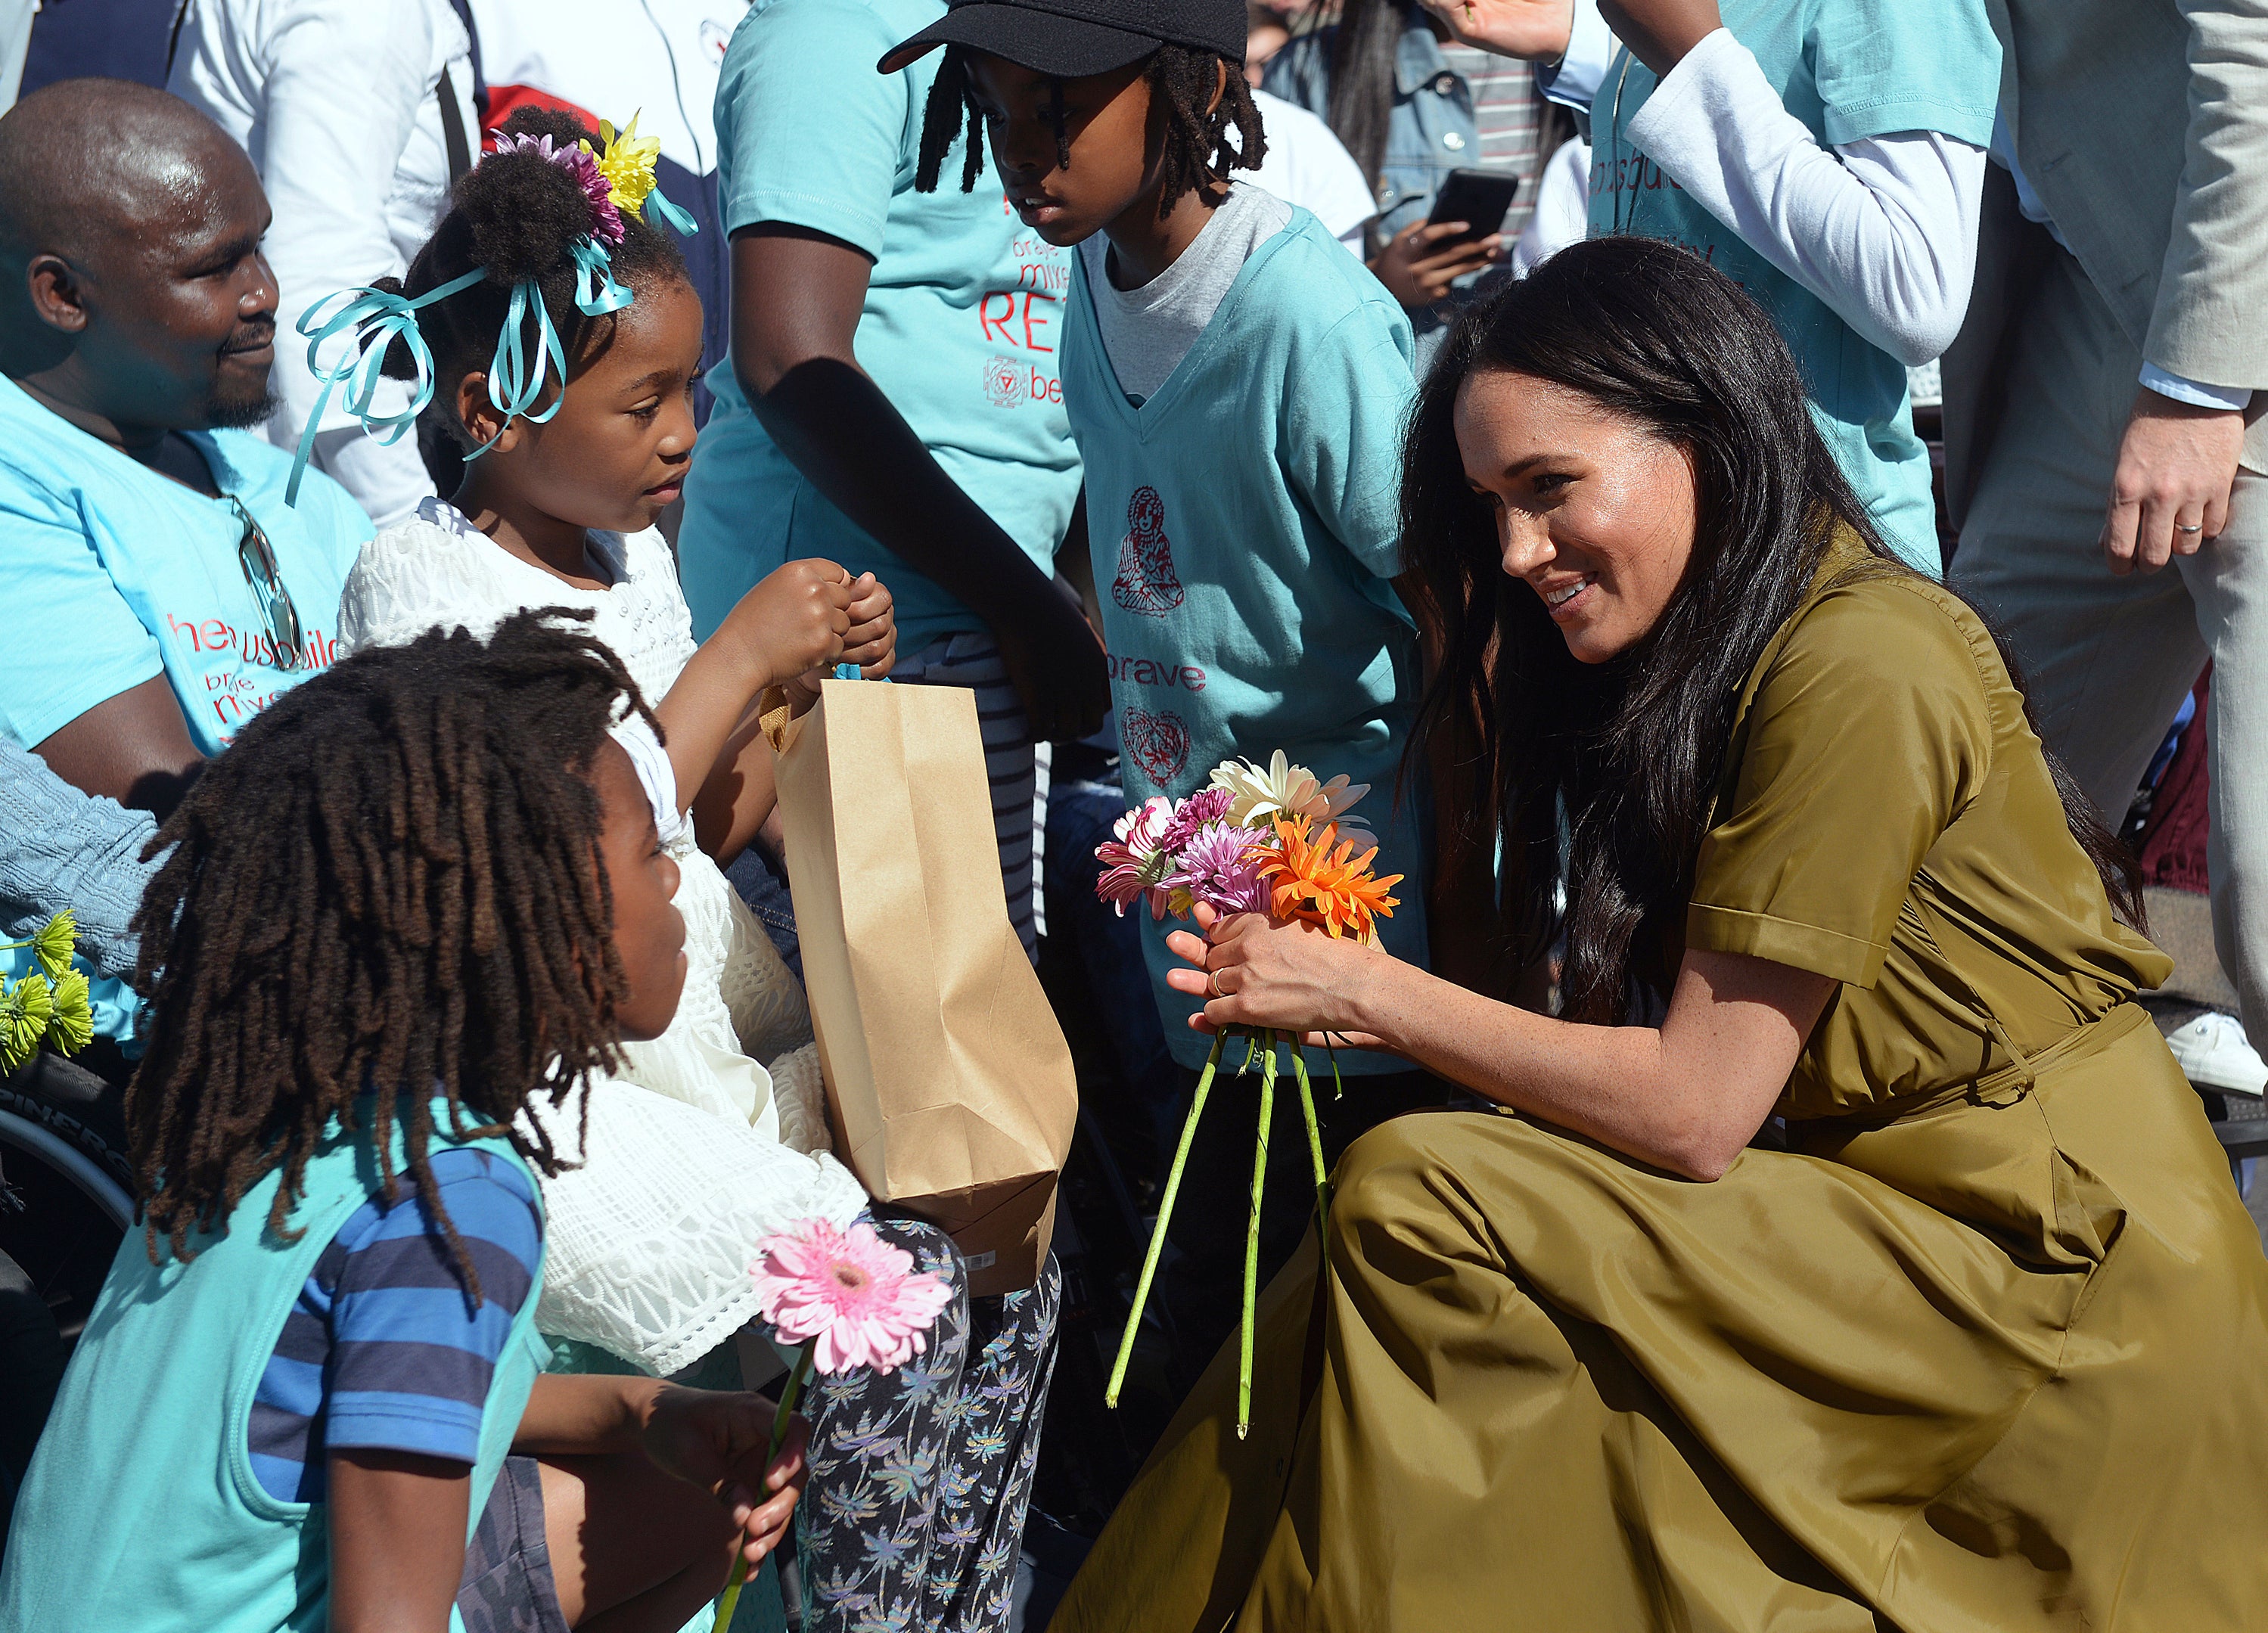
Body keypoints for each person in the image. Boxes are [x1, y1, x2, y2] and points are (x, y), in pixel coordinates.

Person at [1049, 238, 2268, 1631]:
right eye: (1490, 508)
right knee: (1397, 1241)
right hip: (1880, 1215)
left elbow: (1695, 1108)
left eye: (1548, 490)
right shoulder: (1690, 650)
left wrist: (1365, 992)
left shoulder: (1859, 659)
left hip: (2046, 1263)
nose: (1516, 550)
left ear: (1703, 429)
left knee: (1417, 1200)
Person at [328, 108, 1060, 1633]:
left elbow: (703, 813)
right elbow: (545, 860)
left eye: (690, 391)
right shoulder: (420, 580)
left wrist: (802, 691)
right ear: (493, 402)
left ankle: (944, 1593)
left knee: (995, 1258)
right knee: (883, 1289)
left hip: (713, 1032)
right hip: (574, 1085)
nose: (681, 431)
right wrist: (739, 655)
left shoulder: (631, 561)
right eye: (642, 398)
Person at [0, 615, 810, 1633]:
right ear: (538, 916)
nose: (676, 883)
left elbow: (344, 1382)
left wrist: (637, 1408)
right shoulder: (453, 1203)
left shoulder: (293, 1108)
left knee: (683, 1492)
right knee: (693, 1522)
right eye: (651, 849)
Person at [895, 0, 1437, 1386]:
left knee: (1303, 1343)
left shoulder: (1306, 318)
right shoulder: (1089, 280)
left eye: (1056, 109)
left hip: (1354, 958)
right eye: (995, 108)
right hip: (1194, 953)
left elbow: (1449, 600)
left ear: (1190, 83)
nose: (1023, 154)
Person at [675, 0, 1109, 965]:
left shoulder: (1012, 22)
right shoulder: (832, 28)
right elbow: (792, 360)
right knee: (898, 1049)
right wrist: (1027, 606)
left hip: (984, 619)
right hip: (857, 645)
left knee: (980, 1025)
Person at [1943, 1, 2268, 1095]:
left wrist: (2198, 380)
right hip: (2080, 286)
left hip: (2225, 318)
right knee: (1954, 833)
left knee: (2264, 910)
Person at [1443, 0, 1998, 573]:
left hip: (1815, 558)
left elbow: (1916, 290)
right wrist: (1586, 42)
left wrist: (1695, 60)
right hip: (1669, 554)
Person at [0, 79, 371, 815]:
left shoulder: (285, 486)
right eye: (211, 267)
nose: (263, 293)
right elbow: (178, 824)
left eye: (258, 248)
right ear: (63, 296)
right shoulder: (18, 485)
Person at [168, 0, 479, 527]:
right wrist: (409, 525)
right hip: (290, 478)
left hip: (236, 444)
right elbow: (324, 289)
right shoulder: (360, 12)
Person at [1263, 0, 1566, 324]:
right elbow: (1271, 278)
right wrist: (1376, 282)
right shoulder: (1312, 68)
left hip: (1547, 358)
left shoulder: (1582, 59)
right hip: (1400, 363)